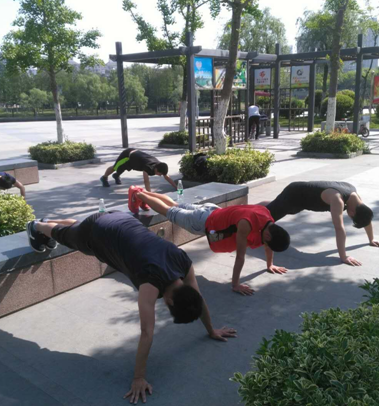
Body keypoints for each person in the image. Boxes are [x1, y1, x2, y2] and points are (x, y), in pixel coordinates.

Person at [26, 211, 236, 403]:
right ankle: (37, 226)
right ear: (170, 302)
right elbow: (146, 333)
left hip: (120, 219)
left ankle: (48, 221)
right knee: (67, 237)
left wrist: (211, 330)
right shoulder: (151, 282)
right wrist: (138, 377)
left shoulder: (183, 261)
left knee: (77, 230)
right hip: (99, 231)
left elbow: (198, 299)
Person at [131, 188, 291, 296]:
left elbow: (268, 244)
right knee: (169, 211)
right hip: (202, 222)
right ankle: (138, 195)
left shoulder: (268, 219)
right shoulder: (246, 225)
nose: (264, 245)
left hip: (211, 210)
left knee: (175, 205)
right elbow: (240, 257)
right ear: (268, 236)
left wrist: (269, 265)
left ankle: (144, 192)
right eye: (266, 242)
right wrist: (235, 285)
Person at [263, 181, 379, 266]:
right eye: (352, 217)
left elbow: (365, 216)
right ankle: (257, 209)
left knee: (277, 208)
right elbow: (339, 228)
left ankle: (266, 205)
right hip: (293, 195)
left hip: (300, 198)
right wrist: (344, 257)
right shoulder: (337, 200)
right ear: (353, 212)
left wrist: (372, 239)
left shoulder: (355, 198)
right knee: (266, 218)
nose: (349, 216)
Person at [100, 148, 177, 191]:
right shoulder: (148, 167)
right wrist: (149, 194)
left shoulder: (159, 165)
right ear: (156, 169)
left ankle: (116, 175)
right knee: (116, 167)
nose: (160, 175)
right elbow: (146, 181)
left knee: (123, 168)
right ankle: (104, 177)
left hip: (135, 160)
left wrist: (177, 187)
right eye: (160, 174)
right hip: (127, 156)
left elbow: (166, 176)